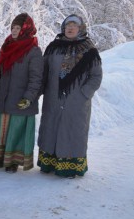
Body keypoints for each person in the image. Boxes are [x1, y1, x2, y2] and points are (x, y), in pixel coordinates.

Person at [37, 14, 102, 178]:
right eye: (68, 26)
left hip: (76, 101)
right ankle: (49, 164)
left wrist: (83, 93)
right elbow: (43, 72)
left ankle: (70, 167)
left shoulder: (89, 50)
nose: (70, 28)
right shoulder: (53, 47)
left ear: (81, 29)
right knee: (51, 128)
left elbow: (96, 76)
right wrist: (39, 91)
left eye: (74, 26)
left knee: (73, 131)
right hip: (53, 97)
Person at [0, 13, 43, 173]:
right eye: (13, 28)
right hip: (4, 98)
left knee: (15, 130)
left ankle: (13, 161)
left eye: (18, 28)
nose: (14, 31)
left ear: (26, 30)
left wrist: (28, 98)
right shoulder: (7, 46)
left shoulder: (33, 51)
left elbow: (36, 79)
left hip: (21, 99)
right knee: (1, 129)